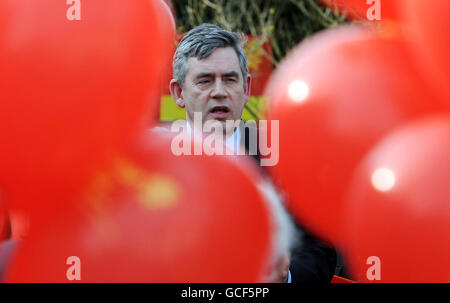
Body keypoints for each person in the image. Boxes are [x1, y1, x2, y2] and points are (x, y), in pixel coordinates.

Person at [167, 23, 337, 283]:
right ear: (179, 93)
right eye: (205, 80)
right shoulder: (153, 165)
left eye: (230, 79)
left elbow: (321, 248)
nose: (220, 92)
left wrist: (286, 277)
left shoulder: (287, 158)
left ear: (246, 89)